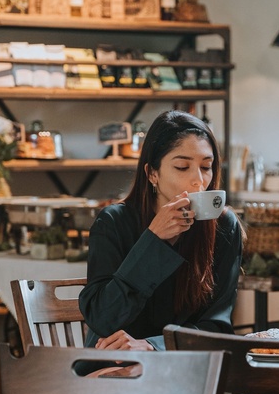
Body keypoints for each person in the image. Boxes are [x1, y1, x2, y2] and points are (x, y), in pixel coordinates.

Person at [79, 109, 244, 351]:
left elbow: (217, 327)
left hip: (184, 365)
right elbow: (103, 319)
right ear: (152, 173)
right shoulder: (113, 222)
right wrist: (153, 240)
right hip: (116, 363)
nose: (198, 180)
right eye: (182, 167)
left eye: (206, 167)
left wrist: (154, 347)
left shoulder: (224, 227)